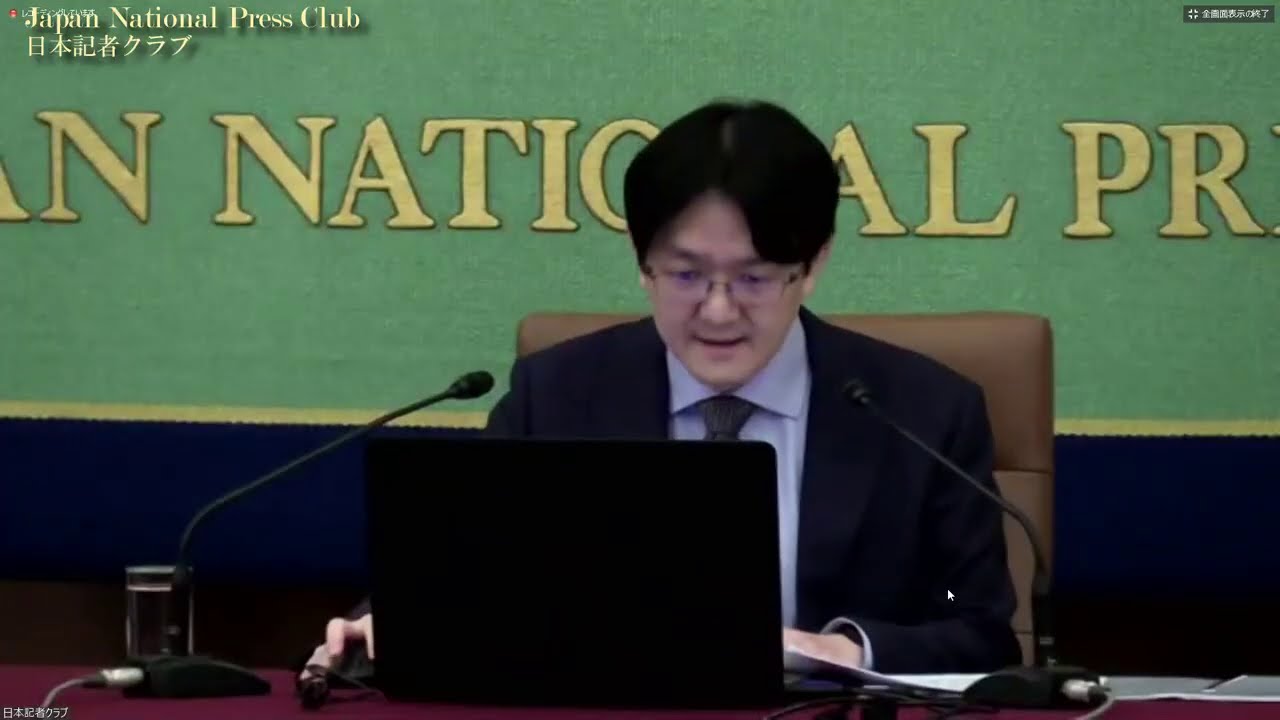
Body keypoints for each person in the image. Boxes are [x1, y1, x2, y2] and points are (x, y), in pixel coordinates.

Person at [301, 98, 1021, 680]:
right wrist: (382, 623)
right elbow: (454, 576)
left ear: (814, 264)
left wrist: (844, 649)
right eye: (685, 275)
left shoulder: (922, 411)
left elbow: (984, 634)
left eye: (753, 278)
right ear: (641, 263)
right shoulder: (558, 393)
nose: (717, 311)